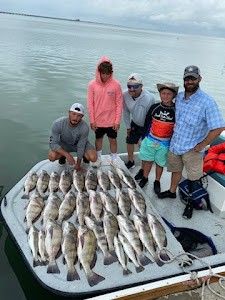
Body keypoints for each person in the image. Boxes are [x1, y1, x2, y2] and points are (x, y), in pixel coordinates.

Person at [158, 65, 225, 219]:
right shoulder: (180, 97)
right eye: (187, 78)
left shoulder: (207, 102)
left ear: (199, 79)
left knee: (193, 179)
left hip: (193, 149)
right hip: (176, 144)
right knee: (175, 171)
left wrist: (203, 144)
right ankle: (172, 191)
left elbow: (219, 127)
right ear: (183, 80)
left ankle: (190, 203)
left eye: (193, 78)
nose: (189, 81)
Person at [135, 82, 178, 192]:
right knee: (147, 161)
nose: (165, 96)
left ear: (174, 95)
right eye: (163, 93)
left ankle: (157, 181)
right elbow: (147, 122)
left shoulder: (176, 110)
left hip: (165, 143)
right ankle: (145, 178)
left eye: (169, 94)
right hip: (150, 139)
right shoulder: (155, 107)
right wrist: (144, 137)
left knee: (160, 163)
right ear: (160, 94)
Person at [87, 56, 123, 165]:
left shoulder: (116, 85)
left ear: (111, 73)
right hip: (98, 120)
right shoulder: (92, 85)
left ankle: (114, 158)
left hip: (112, 121)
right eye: (103, 73)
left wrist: (117, 121)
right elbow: (90, 104)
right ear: (99, 72)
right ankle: (98, 157)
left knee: (113, 140)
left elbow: (119, 103)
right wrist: (92, 120)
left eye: (108, 73)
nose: (105, 76)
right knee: (98, 139)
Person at [48, 102, 97, 171]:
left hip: (78, 144)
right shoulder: (57, 123)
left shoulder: (84, 127)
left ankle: (85, 159)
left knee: (93, 157)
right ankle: (62, 158)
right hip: (64, 144)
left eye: (79, 115)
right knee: (52, 156)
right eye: (73, 114)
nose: (75, 118)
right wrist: (67, 155)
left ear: (82, 117)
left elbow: (81, 146)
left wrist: (78, 164)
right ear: (69, 113)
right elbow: (53, 144)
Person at [123, 73, 155, 169]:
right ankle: (130, 161)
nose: (132, 89)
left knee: (143, 146)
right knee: (129, 141)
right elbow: (125, 112)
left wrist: (149, 131)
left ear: (141, 86)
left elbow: (152, 117)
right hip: (135, 123)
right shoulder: (124, 95)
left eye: (135, 86)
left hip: (147, 125)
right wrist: (128, 127)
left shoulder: (149, 98)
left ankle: (142, 168)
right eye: (129, 86)